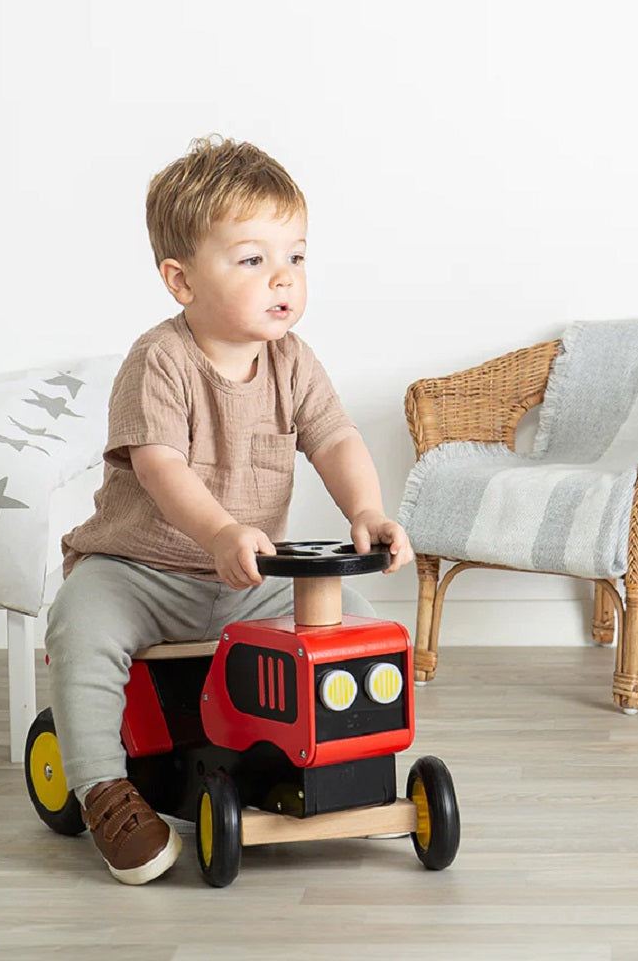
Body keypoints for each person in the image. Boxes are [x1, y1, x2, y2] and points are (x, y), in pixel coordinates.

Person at [45, 135, 414, 885]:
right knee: (83, 627)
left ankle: (344, 760)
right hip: (140, 570)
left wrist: (367, 510)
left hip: (247, 576)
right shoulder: (161, 361)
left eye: (296, 257)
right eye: (253, 260)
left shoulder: (294, 360)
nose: (283, 277)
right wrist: (216, 529)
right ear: (181, 281)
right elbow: (160, 466)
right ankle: (101, 787)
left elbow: (335, 437)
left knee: (357, 623)